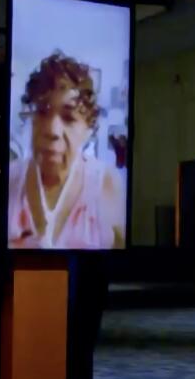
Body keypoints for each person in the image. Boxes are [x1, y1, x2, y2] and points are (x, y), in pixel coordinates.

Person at [7, 51, 125, 249]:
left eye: (69, 118)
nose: (52, 131)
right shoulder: (10, 179)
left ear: (88, 129)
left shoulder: (106, 185)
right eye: (43, 112)